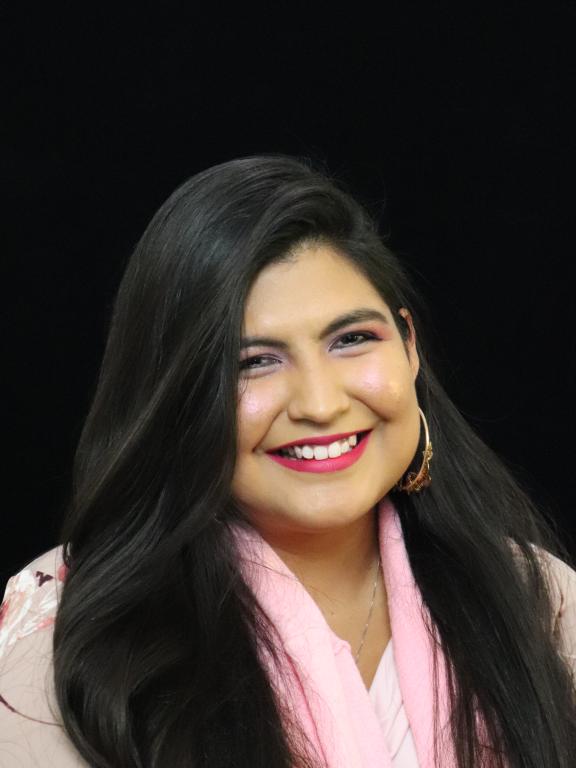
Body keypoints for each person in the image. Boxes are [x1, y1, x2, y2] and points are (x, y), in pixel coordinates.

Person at [1, 155, 576, 768]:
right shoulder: (68, 641)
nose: (322, 404)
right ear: (173, 395)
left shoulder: (538, 604)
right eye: (253, 362)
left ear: (410, 348)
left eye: (351, 340)